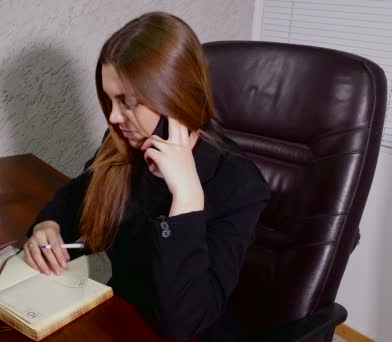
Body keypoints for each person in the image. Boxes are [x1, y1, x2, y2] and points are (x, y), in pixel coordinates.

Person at [24, 11, 270, 341]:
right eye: (110, 100)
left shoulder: (239, 182)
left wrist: (186, 199)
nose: (113, 116)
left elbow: (184, 323)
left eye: (128, 102)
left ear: (174, 96)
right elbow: (76, 198)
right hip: (120, 320)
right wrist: (48, 225)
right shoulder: (123, 147)